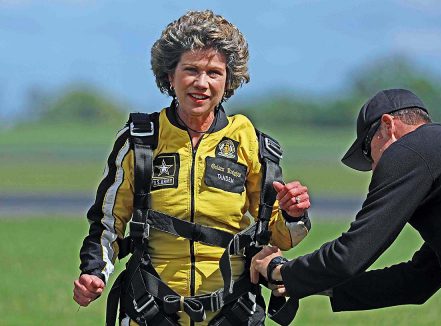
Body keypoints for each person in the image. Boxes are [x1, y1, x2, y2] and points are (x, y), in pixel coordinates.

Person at [73, 10, 311, 326]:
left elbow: (278, 234)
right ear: (170, 76)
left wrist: (294, 214)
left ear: (228, 81)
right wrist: (94, 272)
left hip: (232, 312)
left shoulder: (252, 143)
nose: (202, 83)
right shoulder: (140, 140)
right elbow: (107, 221)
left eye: (214, 72)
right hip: (150, 311)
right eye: (191, 70)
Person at [251, 88, 441, 325]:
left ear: (388, 125)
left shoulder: (409, 150)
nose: (374, 168)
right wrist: (300, 281)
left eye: (367, 152)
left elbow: (351, 255)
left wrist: (281, 272)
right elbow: (417, 281)